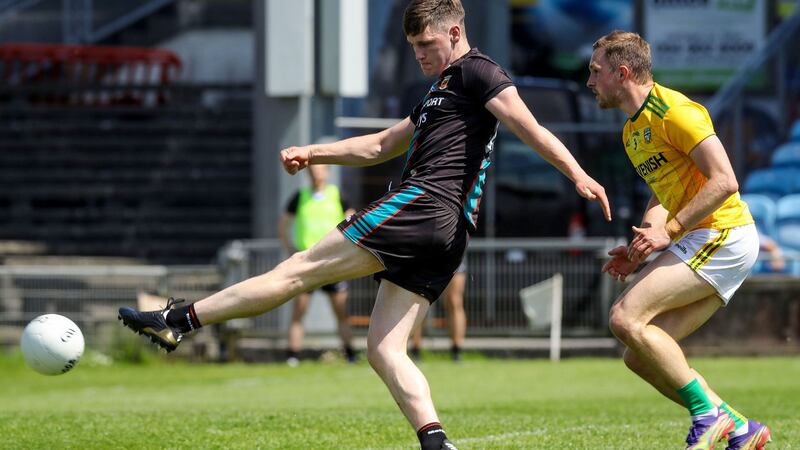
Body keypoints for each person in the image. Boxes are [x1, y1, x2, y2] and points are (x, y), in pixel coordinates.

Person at [118, 1, 610, 448]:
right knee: (384, 348)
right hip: (448, 230)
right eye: (413, 45)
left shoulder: (478, 71)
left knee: (296, 270)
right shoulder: (440, 90)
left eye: (426, 44)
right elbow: (379, 145)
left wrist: (578, 174)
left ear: (455, 32)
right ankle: (437, 443)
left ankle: (177, 321)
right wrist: (314, 151)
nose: (418, 54)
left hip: (423, 205)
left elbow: (529, 126)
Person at [588, 31, 771, 450]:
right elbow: (663, 192)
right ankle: (739, 427)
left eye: (596, 72)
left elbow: (725, 181)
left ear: (622, 73)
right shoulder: (632, 130)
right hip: (707, 237)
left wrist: (668, 232)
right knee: (640, 354)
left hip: (723, 233)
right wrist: (643, 243)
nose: (590, 81)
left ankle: (707, 416)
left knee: (624, 318)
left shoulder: (675, 112)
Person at [278, 164, 357, 366]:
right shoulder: (300, 196)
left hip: (332, 262)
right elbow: (284, 224)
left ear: (327, 172)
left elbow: (354, 220)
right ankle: (292, 356)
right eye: (312, 171)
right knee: (299, 311)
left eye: (320, 170)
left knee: (341, 311)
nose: (316, 174)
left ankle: (350, 354)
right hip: (307, 263)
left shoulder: (337, 195)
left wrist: (346, 250)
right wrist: (290, 248)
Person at [410, 262, 466, 361]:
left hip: (450, 258)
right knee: (418, 300)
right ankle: (415, 349)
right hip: (423, 259)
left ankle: (456, 351)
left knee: (454, 301)